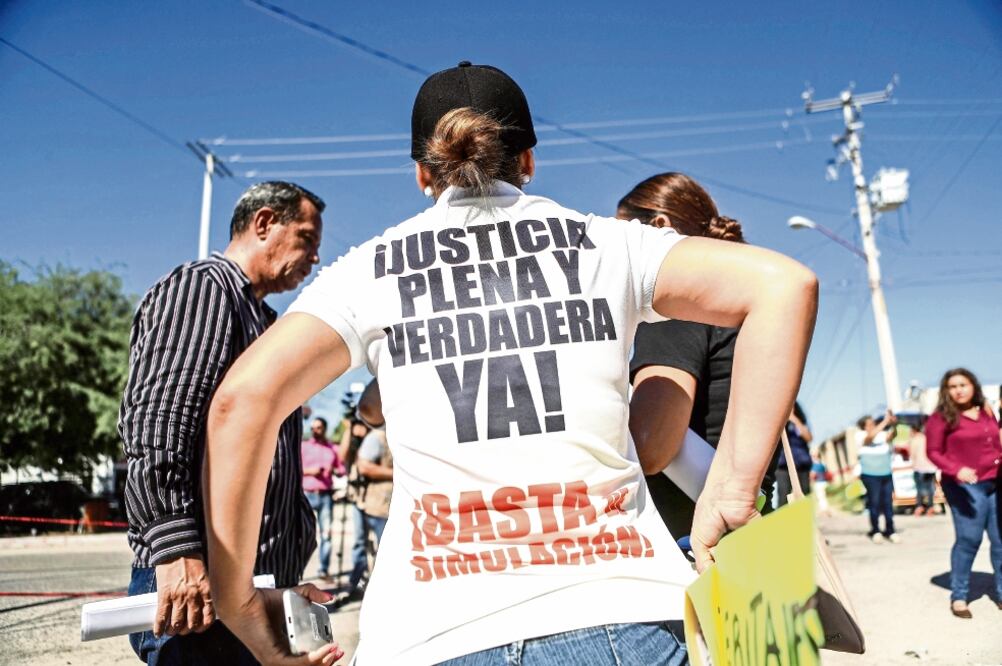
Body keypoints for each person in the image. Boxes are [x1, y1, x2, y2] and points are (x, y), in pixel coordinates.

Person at [202, 61, 819, 666]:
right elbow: (783, 287)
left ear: (422, 173)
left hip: (428, 633)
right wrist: (731, 491)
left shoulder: (370, 270)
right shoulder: (607, 244)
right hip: (621, 618)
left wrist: (237, 603)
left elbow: (240, 402)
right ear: (527, 160)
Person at [118, 181, 333, 665]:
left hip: (254, 587)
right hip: (200, 587)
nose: (314, 259)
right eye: (306, 239)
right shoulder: (205, 289)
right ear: (263, 223)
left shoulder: (263, 320)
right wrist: (174, 548)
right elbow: (158, 422)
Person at [620, 172, 778, 541]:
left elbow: (652, 445)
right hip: (750, 518)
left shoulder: (675, 309)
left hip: (695, 532)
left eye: (622, 234)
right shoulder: (739, 302)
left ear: (659, 226)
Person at [924, 368, 1002, 619]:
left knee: (1000, 541)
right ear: (946, 391)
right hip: (963, 486)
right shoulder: (941, 418)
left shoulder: (986, 411)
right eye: (952, 386)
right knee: (969, 540)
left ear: (973, 386)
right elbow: (933, 452)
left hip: (995, 481)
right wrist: (956, 469)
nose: (958, 390)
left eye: (963, 384)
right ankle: (959, 596)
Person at [342, 421, 393, 601]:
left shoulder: (383, 435)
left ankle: (382, 589)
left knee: (384, 548)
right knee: (361, 545)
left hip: (382, 504)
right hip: (367, 502)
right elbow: (364, 467)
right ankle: (357, 584)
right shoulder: (374, 438)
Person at [302, 416, 346, 580]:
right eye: (313, 427)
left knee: (326, 534)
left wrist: (335, 470)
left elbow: (341, 470)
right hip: (306, 494)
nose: (315, 430)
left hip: (325, 495)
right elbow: (294, 468)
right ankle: (299, 569)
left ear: (324, 429)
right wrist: (309, 471)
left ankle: (323, 569)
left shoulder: (332, 449)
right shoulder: (303, 446)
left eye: (318, 427)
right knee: (304, 534)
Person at [855, 409, 900, 544]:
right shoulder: (859, 435)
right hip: (870, 475)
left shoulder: (882, 434)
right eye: (869, 424)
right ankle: (875, 530)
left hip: (886, 473)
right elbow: (869, 439)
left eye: (873, 423)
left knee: (888, 503)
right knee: (874, 503)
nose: (873, 425)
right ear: (863, 426)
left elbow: (892, 435)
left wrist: (893, 424)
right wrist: (885, 421)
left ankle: (890, 530)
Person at [776, 403, 813, 507]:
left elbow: (809, 438)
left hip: (802, 464)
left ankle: (804, 520)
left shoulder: (800, 423)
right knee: (783, 497)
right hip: (783, 466)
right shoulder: (777, 423)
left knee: (805, 493)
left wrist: (793, 419)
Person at [908, 421, 938, 516]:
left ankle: (919, 506)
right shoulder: (928, 438)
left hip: (919, 467)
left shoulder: (915, 439)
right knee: (930, 489)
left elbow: (912, 454)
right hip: (931, 466)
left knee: (919, 488)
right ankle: (930, 507)